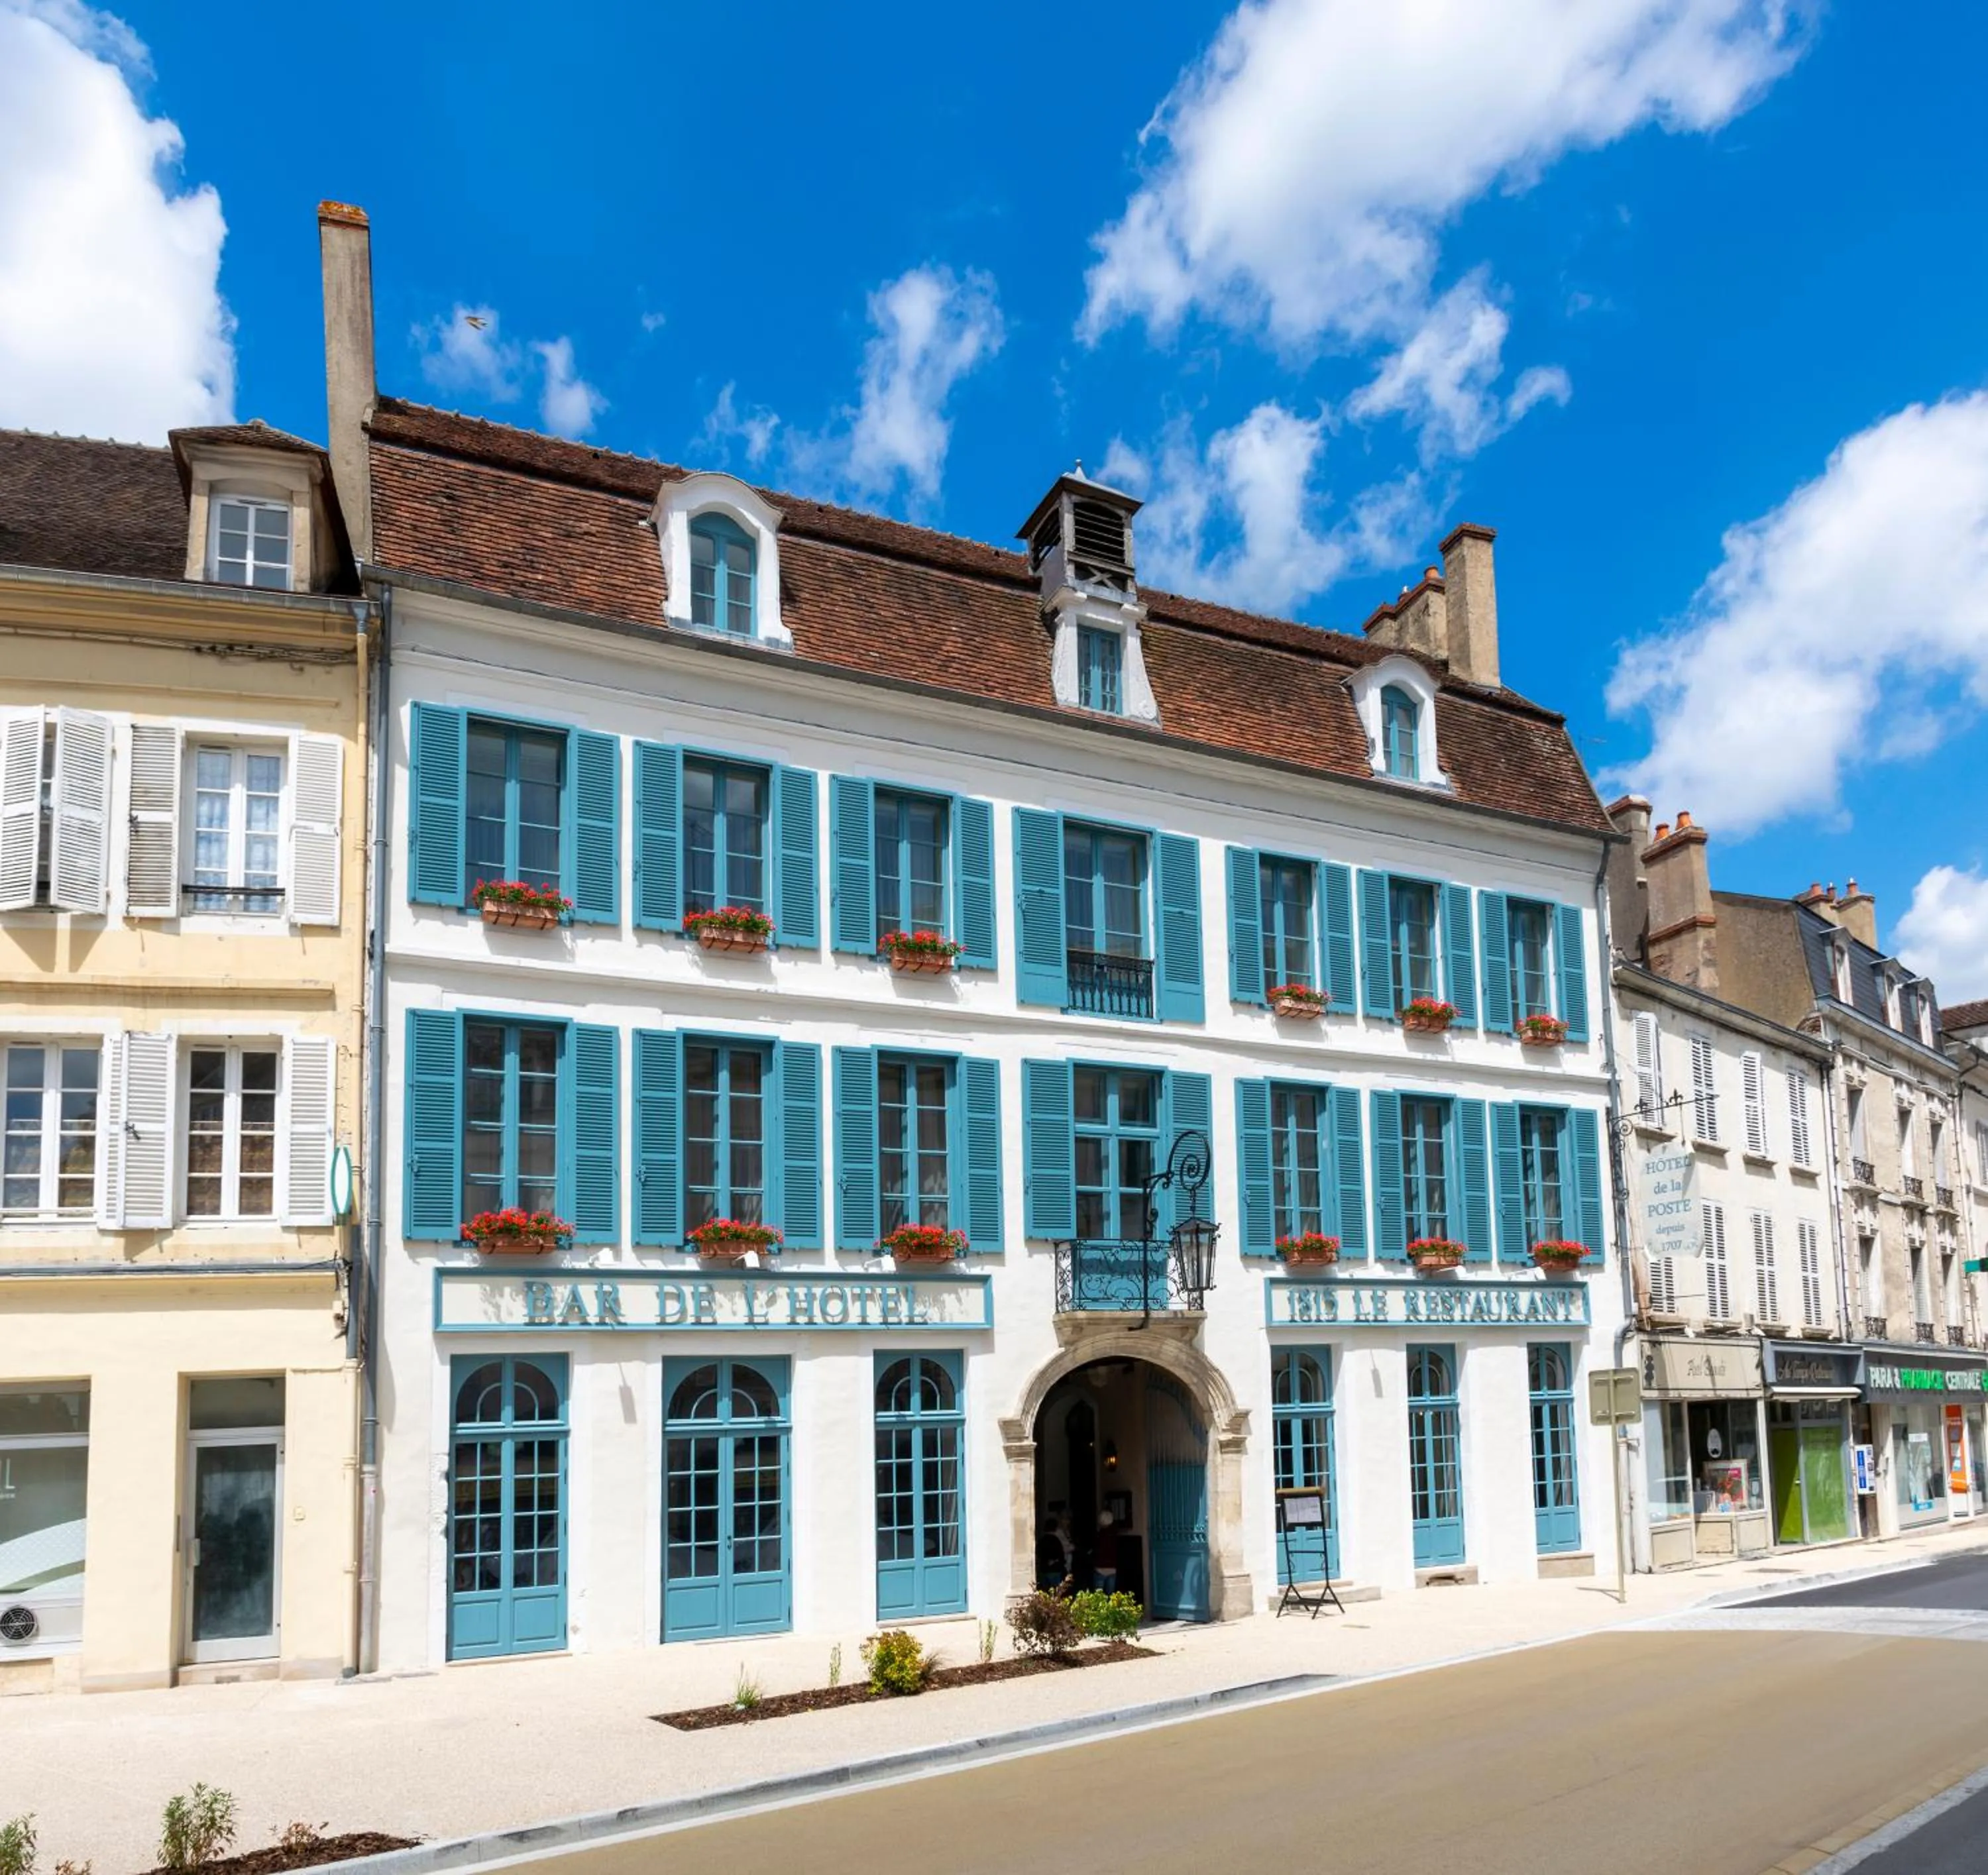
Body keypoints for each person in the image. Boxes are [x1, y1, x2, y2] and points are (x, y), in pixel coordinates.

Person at [1093, 1509, 1119, 1592]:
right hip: (1112, 1568)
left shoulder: (1099, 1536)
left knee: (1099, 1596)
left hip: (1100, 1568)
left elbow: (1096, 1551)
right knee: (1111, 1594)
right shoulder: (1115, 1535)